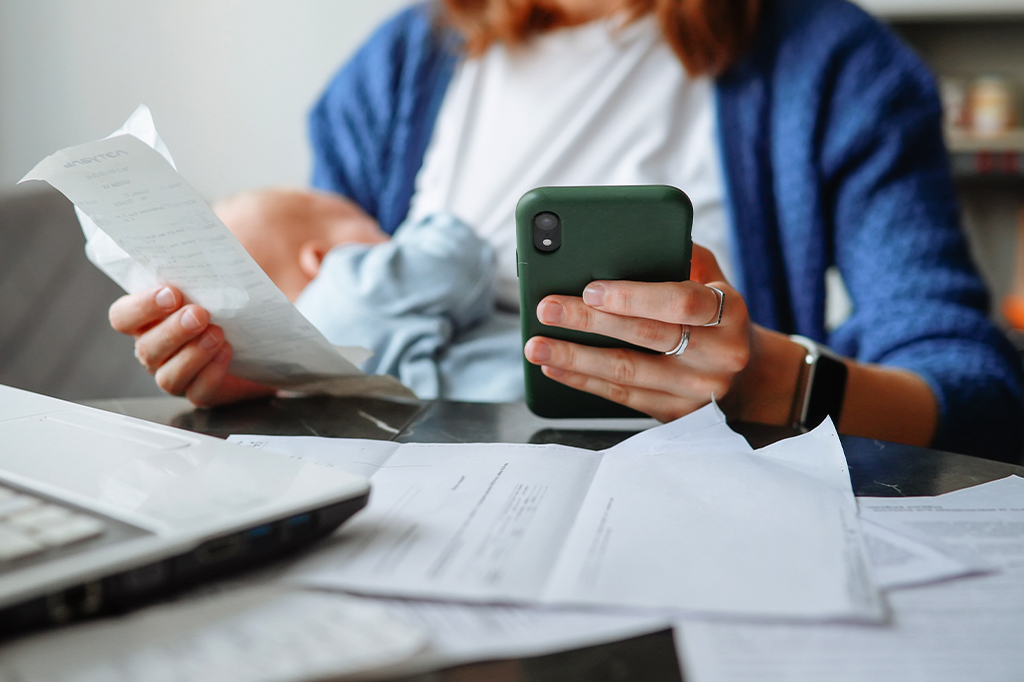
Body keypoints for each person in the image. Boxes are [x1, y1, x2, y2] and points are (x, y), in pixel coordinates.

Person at [110, 0, 1024, 461]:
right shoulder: (392, 74)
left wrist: (774, 383)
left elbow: (978, 396)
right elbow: (346, 334)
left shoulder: (836, 67)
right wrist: (267, 365)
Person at [215, 188, 523, 400]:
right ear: (318, 259)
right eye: (370, 226)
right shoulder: (348, 283)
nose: (388, 236)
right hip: (523, 395)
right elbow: (460, 264)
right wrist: (430, 226)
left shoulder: (292, 379)